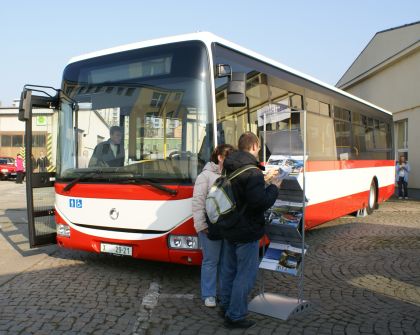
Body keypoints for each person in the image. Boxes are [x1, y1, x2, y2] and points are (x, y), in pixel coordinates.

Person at [219, 132, 280, 329]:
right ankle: (235, 315)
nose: (260, 150)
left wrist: (263, 181)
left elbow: (240, 193)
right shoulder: (252, 171)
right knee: (245, 274)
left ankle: (226, 306)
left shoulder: (229, 165)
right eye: (259, 146)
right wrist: (274, 188)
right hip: (246, 230)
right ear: (253, 146)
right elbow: (258, 203)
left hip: (229, 226)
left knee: (228, 270)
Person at [192, 144, 235, 308]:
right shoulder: (205, 175)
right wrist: (201, 225)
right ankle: (209, 294)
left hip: (228, 226)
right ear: (220, 157)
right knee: (211, 261)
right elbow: (198, 202)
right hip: (210, 226)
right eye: (228, 157)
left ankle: (224, 293)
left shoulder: (230, 174)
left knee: (226, 261)